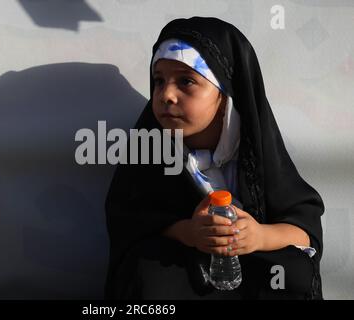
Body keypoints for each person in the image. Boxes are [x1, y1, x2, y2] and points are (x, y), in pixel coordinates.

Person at [104, 17, 324, 300]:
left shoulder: (255, 152)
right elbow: (129, 224)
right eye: (159, 81)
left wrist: (258, 236)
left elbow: (305, 233)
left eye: (186, 81)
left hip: (248, 272)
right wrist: (188, 233)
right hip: (188, 279)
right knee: (149, 271)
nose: (166, 95)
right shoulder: (149, 151)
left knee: (291, 271)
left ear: (226, 94)